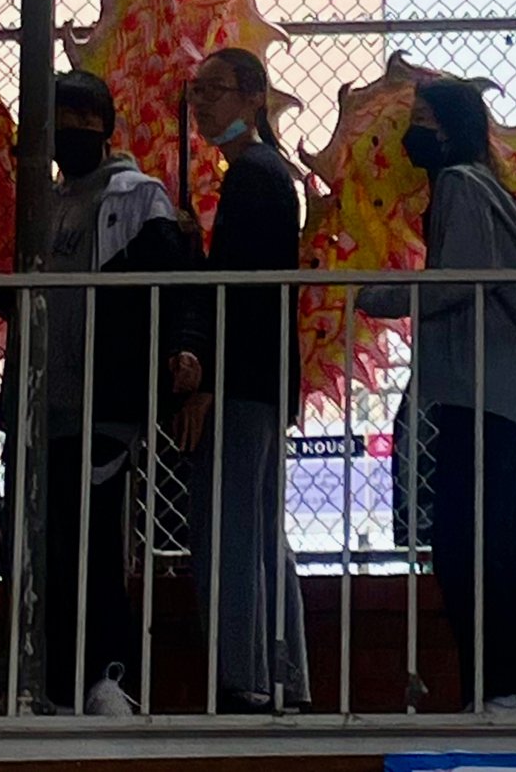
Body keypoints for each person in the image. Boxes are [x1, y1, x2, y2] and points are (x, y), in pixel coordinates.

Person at [356, 78, 516, 712]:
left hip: (475, 385)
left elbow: (457, 281)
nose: (410, 133)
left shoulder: (460, 187)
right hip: (505, 388)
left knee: (463, 542)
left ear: (447, 129)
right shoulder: (495, 193)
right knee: (497, 537)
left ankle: (499, 686)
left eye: (420, 119)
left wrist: (378, 295)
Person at [38, 68, 207, 717]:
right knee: (52, 547)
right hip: (46, 402)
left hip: (103, 400)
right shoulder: (47, 202)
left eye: (86, 120)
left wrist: (182, 350)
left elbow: (177, 284)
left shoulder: (137, 197)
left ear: (107, 127)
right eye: (63, 120)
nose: (74, 131)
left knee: (97, 545)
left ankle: (108, 676)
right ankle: (59, 682)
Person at [184, 47, 309, 713]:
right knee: (258, 525)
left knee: (230, 526)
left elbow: (246, 291)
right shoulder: (265, 173)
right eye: (197, 91)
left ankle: (244, 674)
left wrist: (212, 376)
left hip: (243, 377)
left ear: (255, 97)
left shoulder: (253, 177)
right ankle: (283, 673)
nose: (203, 104)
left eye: (217, 90)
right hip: (263, 375)